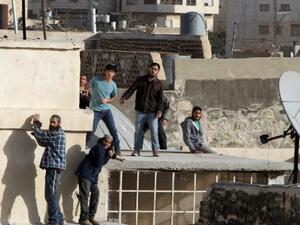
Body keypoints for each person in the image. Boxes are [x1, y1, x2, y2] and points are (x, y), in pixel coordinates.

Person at [76, 135, 124, 225]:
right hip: (85, 173)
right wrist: (110, 156)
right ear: (102, 140)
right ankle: (83, 219)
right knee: (85, 195)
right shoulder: (98, 148)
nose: (107, 143)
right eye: (105, 141)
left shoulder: (104, 150)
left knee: (95, 194)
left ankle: (91, 217)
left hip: (93, 176)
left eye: (109, 142)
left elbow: (104, 159)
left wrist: (113, 156)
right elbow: (99, 163)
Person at [120, 62, 163, 157]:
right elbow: (131, 89)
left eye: (156, 69)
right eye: (152, 68)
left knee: (154, 131)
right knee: (138, 131)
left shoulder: (159, 84)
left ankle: (155, 150)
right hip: (140, 111)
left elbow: (160, 99)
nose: (153, 70)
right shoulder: (141, 80)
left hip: (152, 112)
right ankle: (136, 150)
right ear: (149, 69)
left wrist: (159, 110)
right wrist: (124, 97)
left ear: (158, 71)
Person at [31, 114, 66, 225]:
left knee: (50, 195)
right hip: (52, 167)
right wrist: (37, 132)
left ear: (59, 123)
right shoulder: (54, 133)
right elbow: (42, 142)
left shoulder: (57, 133)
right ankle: (59, 219)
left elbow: (43, 137)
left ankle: (54, 221)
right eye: (50, 122)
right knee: (51, 195)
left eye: (53, 122)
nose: (51, 124)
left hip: (54, 167)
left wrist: (36, 125)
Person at [88, 64, 121, 155]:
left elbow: (114, 97)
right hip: (95, 109)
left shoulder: (113, 84)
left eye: (111, 72)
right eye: (108, 71)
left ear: (114, 74)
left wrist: (107, 100)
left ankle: (118, 150)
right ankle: (85, 146)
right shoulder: (97, 79)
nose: (109, 73)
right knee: (92, 130)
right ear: (105, 71)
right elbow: (88, 86)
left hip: (106, 110)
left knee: (113, 130)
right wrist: (92, 95)